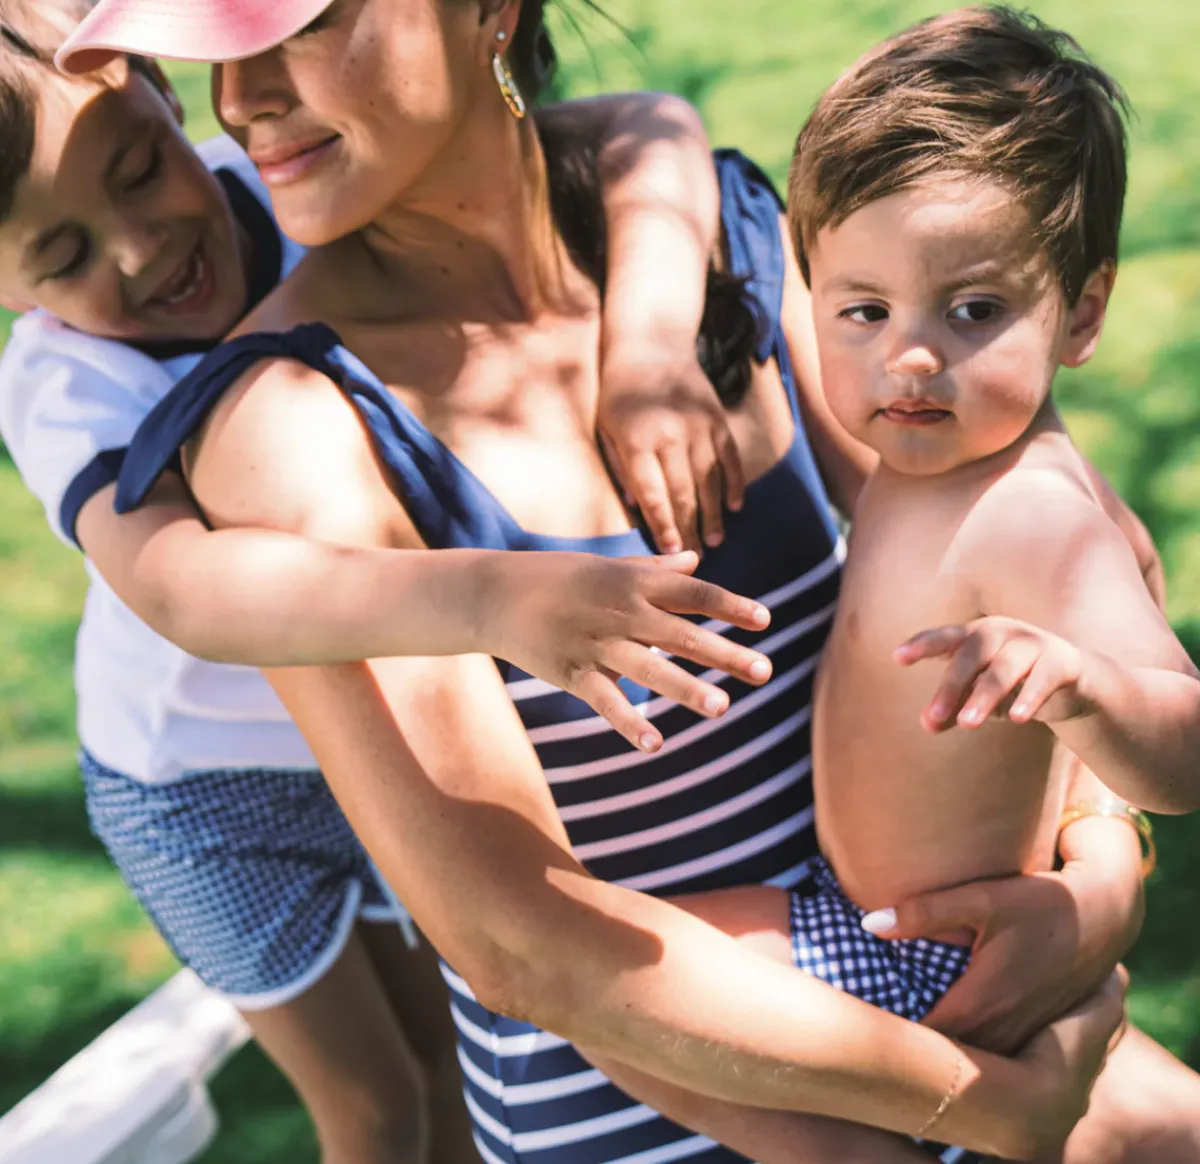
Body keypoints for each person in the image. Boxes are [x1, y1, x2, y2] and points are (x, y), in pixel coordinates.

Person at [58, 0, 1190, 1160]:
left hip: (928, 991)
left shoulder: (747, 244)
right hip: (672, 1106)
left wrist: (1102, 864)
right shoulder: (298, 425)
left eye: (302, 26)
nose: (239, 102)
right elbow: (523, 947)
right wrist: (976, 1104)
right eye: (220, 57)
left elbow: (1038, 554)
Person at [0, 6, 789, 1161]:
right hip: (201, 797)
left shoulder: (281, 177)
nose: (138, 248)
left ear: (172, 98)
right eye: (61, 257)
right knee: (373, 1106)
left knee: (451, 1068)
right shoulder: (64, 384)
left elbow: (648, 124)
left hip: (356, 740)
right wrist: (488, 596)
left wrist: (650, 339)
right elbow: (184, 588)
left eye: (138, 171)